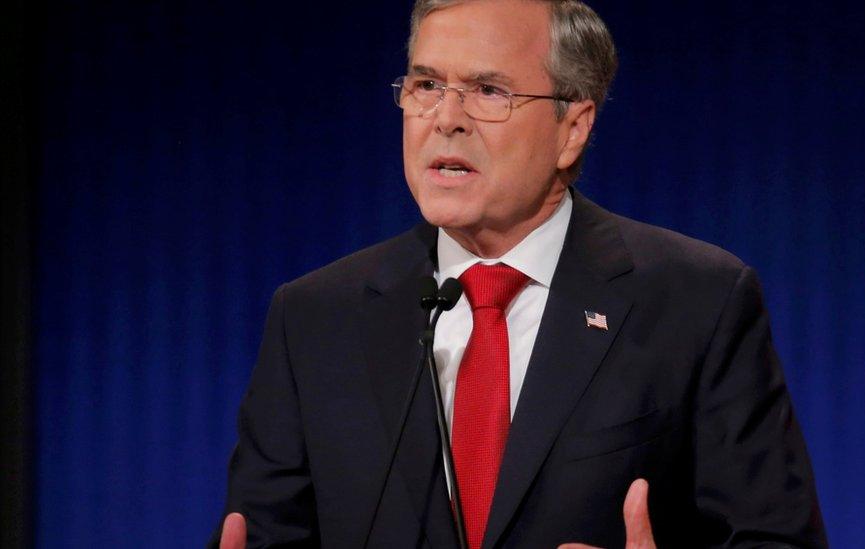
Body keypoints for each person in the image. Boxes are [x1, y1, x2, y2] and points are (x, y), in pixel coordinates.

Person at [212, 0, 827, 547]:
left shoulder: (698, 301)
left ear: (573, 129)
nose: (445, 118)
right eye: (426, 84)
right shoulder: (315, 317)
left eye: (488, 91)